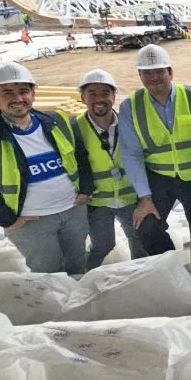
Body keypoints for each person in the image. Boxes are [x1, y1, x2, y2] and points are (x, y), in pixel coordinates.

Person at [0, 63, 92, 274]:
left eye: (23, 91)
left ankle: (78, 307)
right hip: (31, 223)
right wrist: (6, 218)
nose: (18, 98)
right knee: (48, 275)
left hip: (72, 213)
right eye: (8, 93)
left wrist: (85, 190)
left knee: (78, 266)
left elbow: (81, 157)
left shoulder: (57, 121)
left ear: (33, 94)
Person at [118, 44, 191, 264]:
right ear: (140, 76)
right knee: (147, 226)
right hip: (159, 176)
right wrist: (144, 197)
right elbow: (132, 154)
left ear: (170, 72)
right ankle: (171, 267)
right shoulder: (130, 107)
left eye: (159, 71)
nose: (154, 77)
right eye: (147, 72)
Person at [73, 69, 147, 269]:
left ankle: (140, 276)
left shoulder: (129, 124)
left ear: (114, 97)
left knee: (139, 241)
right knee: (103, 245)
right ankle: (84, 278)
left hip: (130, 198)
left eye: (105, 93)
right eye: (92, 93)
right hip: (98, 201)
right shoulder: (74, 129)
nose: (99, 99)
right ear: (82, 98)